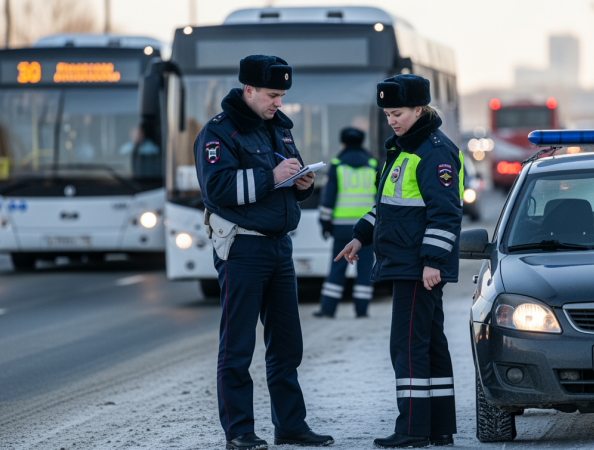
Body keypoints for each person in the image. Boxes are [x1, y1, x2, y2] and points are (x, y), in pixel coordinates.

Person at [194, 54, 333, 450]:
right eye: (273, 95)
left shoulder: (279, 129)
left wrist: (302, 185)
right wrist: (270, 176)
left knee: (287, 345)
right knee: (237, 347)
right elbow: (216, 190)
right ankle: (239, 432)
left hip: (279, 247)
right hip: (242, 247)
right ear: (248, 90)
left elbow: (289, 181)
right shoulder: (219, 133)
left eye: (283, 95)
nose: (279, 103)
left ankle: (290, 426)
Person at [336, 74, 463, 448]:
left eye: (398, 113)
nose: (392, 120)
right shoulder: (403, 149)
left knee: (406, 345)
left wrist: (432, 261)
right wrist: (361, 236)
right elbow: (389, 208)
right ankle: (438, 428)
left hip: (417, 266)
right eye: (388, 113)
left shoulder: (433, 151)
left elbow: (446, 214)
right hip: (409, 261)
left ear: (419, 109)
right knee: (429, 344)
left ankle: (411, 429)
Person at [314, 127, 377, 318]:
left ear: (343, 143)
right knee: (365, 268)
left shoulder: (337, 165)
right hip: (367, 227)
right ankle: (361, 309)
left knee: (337, 267)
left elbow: (328, 199)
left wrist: (325, 224)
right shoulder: (373, 164)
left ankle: (328, 308)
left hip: (341, 228)